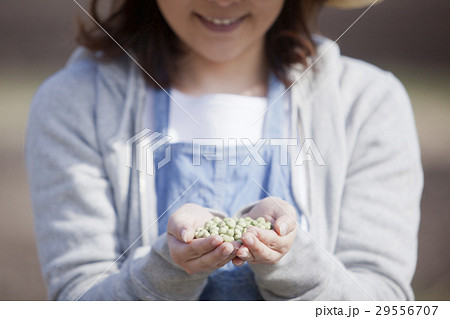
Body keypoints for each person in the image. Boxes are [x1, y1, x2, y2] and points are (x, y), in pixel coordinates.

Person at [26, 0, 423, 300]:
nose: (221, 1)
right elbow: (77, 297)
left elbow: (382, 299)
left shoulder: (366, 102)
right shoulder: (75, 103)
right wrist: (166, 268)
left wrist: (294, 261)